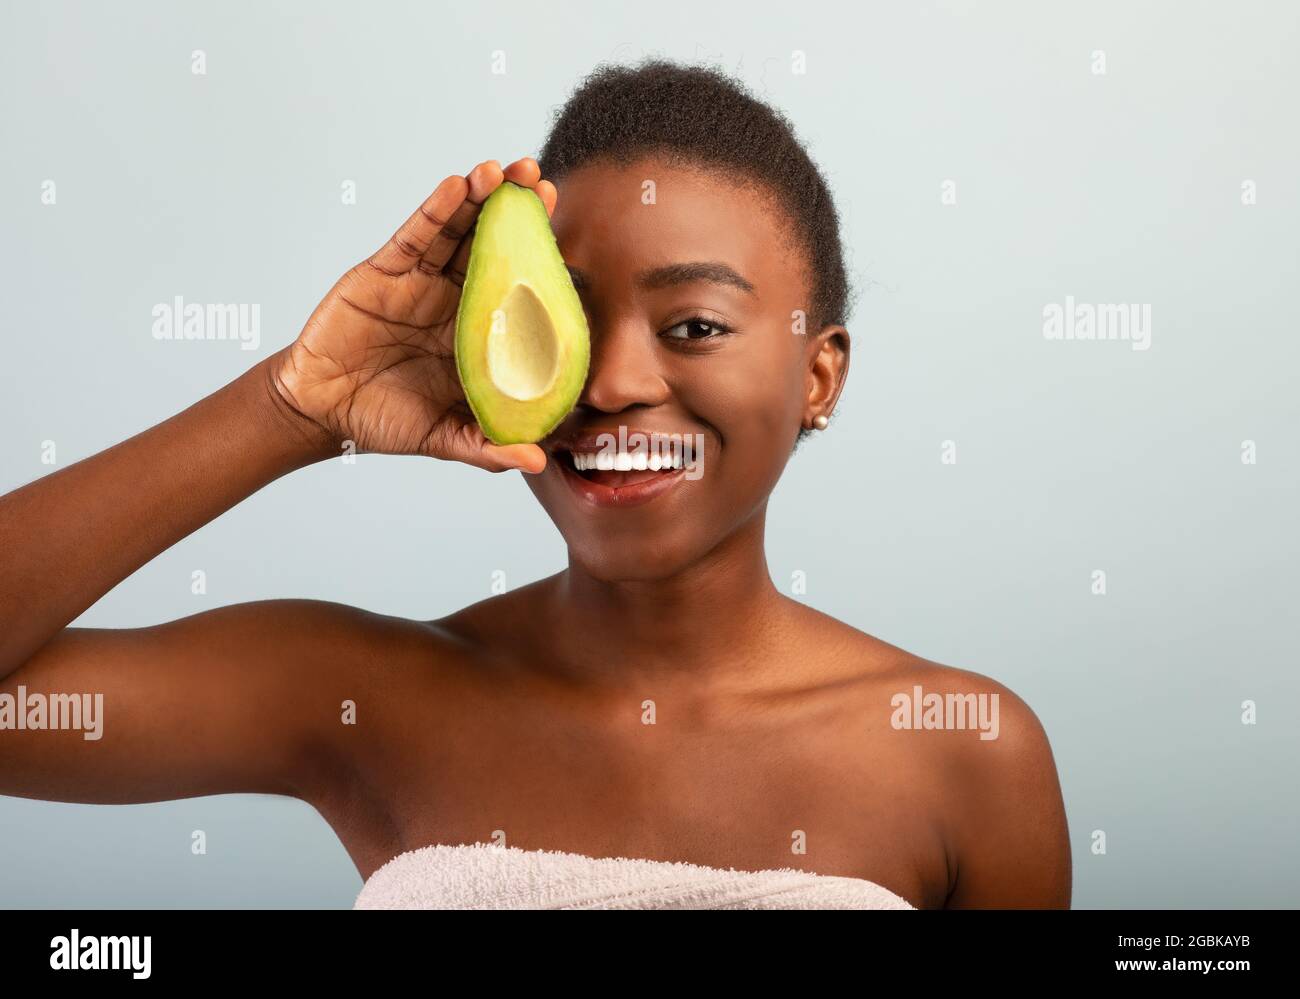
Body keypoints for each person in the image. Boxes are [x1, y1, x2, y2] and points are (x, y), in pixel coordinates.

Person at [0, 60, 1070, 909]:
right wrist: (292, 407)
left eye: (693, 325)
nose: (609, 382)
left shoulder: (963, 750)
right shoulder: (369, 693)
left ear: (817, 375)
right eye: (568, 320)